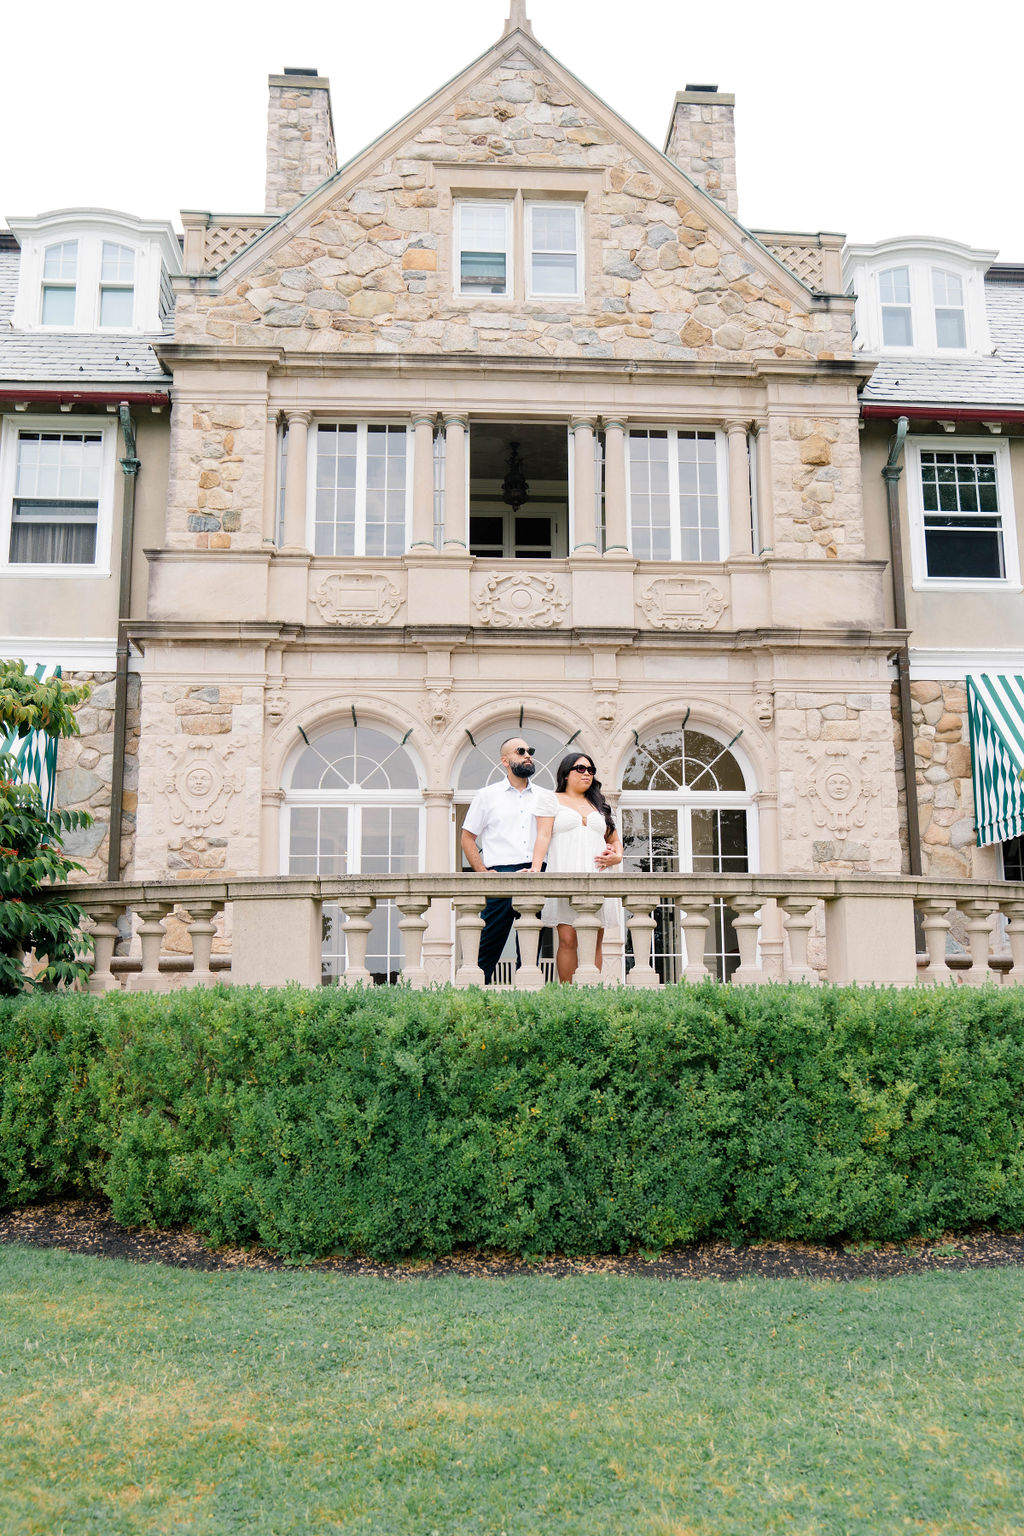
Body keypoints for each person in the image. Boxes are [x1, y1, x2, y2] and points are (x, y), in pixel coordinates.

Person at [530, 752, 623, 983]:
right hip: (565, 873)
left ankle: (592, 993)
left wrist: (617, 857)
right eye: (580, 769)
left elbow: (615, 841)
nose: (587, 774)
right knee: (568, 939)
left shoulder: (600, 804)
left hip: (597, 877)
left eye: (591, 770)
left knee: (594, 941)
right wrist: (535, 867)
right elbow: (542, 835)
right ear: (566, 773)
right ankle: (568, 995)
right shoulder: (551, 799)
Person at [460, 736, 545, 985]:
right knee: (487, 943)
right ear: (505, 761)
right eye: (521, 751)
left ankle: (528, 999)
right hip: (499, 875)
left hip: (536, 872)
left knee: (531, 947)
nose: (528, 754)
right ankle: (472, 999)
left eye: (530, 750)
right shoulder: (487, 796)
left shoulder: (544, 795)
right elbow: (467, 838)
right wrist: (483, 872)